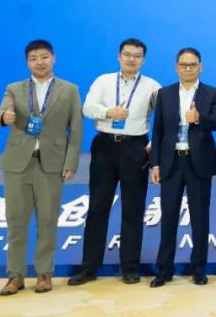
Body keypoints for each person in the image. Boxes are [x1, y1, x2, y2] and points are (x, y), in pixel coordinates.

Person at [0, 39, 83, 296]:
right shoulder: (14, 89)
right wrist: (4, 117)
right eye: (33, 59)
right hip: (17, 163)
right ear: (27, 63)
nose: (39, 62)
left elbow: (76, 129)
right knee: (16, 221)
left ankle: (44, 273)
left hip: (51, 164)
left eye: (44, 57)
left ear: (53, 59)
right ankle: (15, 276)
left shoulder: (70, 90)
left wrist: (71, 162)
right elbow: (0, 112)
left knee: (47, 220)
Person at [69, 38, 161, 286]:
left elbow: (164, 118)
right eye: (127, 54)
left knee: (133, 209)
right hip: (105, 147)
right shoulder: (103, 81)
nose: (132, 59)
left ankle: (129, 267)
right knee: (98, 207)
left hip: (135, 148)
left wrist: (152, 145)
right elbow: (87, 108)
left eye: (137, 55)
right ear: (119, 56)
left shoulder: (152, 86)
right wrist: (109, 112)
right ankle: (89, 267)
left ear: (143, 59)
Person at [149, 47, 216, 287]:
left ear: (201, 67)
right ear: (176, 67)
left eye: (192, 65)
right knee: (169, 217)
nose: (188, 69)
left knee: (200, 218)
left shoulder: (212, 93)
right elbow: (158, 131)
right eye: (183, 65)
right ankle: (164, 269)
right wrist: (155, 164)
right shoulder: (165, 94)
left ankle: (199, 269)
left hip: (198, 162)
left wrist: (199, 118)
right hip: (171, 162)